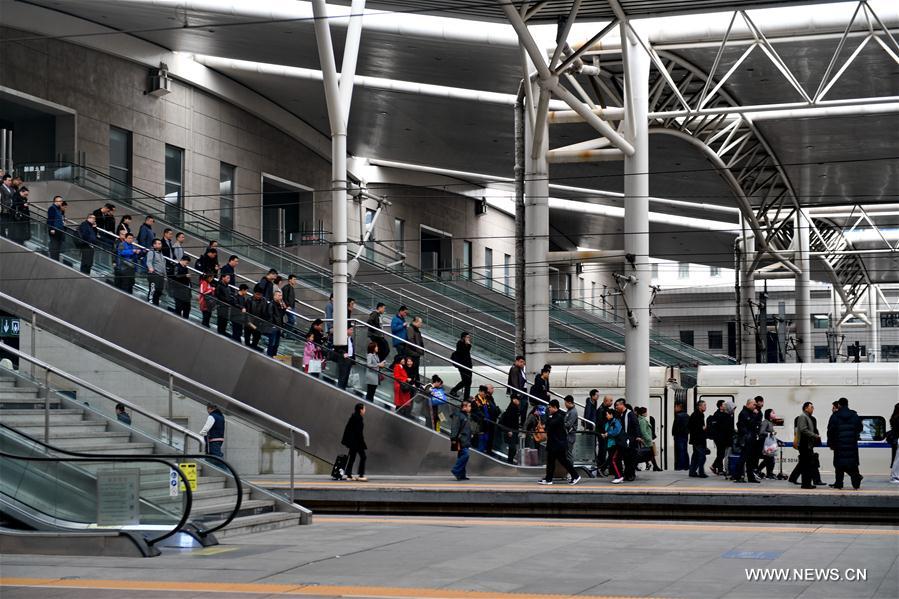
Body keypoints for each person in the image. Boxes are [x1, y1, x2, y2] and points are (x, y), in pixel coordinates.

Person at [539, 399, 581, 485]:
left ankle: (575, 476)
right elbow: (548, 425)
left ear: (555, 407)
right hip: (554, 444)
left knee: (563, 461)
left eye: (550, 407)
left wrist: (546, 423)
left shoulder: (558, 417)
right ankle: (548, 479)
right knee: (551, 461)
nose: (549, 409)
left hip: (558, 445)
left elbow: (548, 426)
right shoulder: (554, 416)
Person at [827, 397, 864, 489]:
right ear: (847, 404)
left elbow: (830, 431)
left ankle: (839, 483)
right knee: (853, 463)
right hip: (852, 444)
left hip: (839, 444)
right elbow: (860, 428)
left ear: (839, 405)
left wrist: (831, 444)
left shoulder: (835, 416)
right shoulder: (854, 415)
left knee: (838, 464)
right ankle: (856, 483)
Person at [733, 398, 761, 483]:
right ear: (748, 404)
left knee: (750, 460)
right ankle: (738, 476)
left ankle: (750, 477)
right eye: (753, 405)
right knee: (743, 458)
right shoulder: (744, 413)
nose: (755, 406)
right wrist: (755, 415)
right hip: (746, 440)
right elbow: (751, 423)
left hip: (750, 439)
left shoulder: (749, 412)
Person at [795, 402, 821, 489]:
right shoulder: (803, 417)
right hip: (804, 444)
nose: (813, 409)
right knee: (806, 465)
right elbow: (803, 430)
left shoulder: (807, 417)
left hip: (807, 444)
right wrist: (815, 435)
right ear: (806, 408)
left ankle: (806, 483)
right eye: (811, 407)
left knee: (807, 465)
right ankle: (806, 484)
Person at [341, 403, 368, 481]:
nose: (365, 410)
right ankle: (361, 475)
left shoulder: (354, 417)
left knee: (352, 458)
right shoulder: (358, 418)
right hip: (356, 442)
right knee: (363, 457)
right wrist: (362, 443)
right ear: (360, 410)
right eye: (364, 409)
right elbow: (358, 432)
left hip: (353, 442)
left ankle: (349, 475)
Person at [615, 398, 640, 482]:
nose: (616, 407)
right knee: (626, 458)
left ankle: (631, 474)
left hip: (631, 440)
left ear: (622, 405)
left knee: (631, 458)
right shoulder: (621, 414)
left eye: (617, 405)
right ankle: (627, 474)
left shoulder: (630, 414)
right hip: (625, 440)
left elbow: (636, 425)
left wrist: (638, 436)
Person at [706, 399, 732, 476]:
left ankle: (718, 468)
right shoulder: (718, 414)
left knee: (721, 452)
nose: (725, 406)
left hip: (721, 437)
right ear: (720, 406)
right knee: (721, 453)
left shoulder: (720, 414)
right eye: (724, 404)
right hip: (719, 437)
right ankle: (715, 467)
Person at [450, 399, 472, 481]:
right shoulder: (458, 415)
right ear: (464, 407)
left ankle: (461, 474)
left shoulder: (465, 415)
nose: (470, 408)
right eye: (469, 406)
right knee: (465, 455)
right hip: (460, 439)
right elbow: (454, 427)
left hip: (465, 438)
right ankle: (456, 470)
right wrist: (453, 438)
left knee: (461, 456)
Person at [245, 285, 271, 350]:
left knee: (256, 340)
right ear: (254, 293)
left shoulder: (264, 301)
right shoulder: (249, 300)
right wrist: (250, 323)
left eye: (260, 295)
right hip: (249, 323)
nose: (259, 296)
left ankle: (253, 348)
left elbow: (265, 312)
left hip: (258, 323)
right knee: (247, 340)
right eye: (257, 294)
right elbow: (247, 313)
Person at [449, 332, 473, 400]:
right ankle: (465, 397)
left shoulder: (466, 344)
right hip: (462, 366)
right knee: (467, 381)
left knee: (467, 381)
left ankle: (454, 391)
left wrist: (468, 345)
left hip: (468, 365)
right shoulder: (460, 343)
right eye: (467, 337)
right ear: (463, 337)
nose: (469, 339)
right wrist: (468, 345)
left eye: (469, 337)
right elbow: (463, 353)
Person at [688, 400, 708, 478]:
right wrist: (703, 428)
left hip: (696, 439)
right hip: (698, 439)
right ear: (699, 406)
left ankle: (692, 472)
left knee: (695, 456)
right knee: (702, 456)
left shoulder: (697, 414)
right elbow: (696, 427)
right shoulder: (697, 415)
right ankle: (701, 472)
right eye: (704, 405)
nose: (705, 407)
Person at [594, 395, 614, 475]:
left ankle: (603, 469)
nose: (612, 402)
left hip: (604, 434)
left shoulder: (605, 409)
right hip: (602, 434)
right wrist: (604, 433)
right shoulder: (601, 410)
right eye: (611, 400)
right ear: (606, 401)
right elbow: (601, 423)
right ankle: (601, 469)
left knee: (605, 451)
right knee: (602, 452)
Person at [636, 406, 661, 471]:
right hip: (646, 441)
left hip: (647, 440)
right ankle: (655, 466)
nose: (647, 413)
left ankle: (655, 466)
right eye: (646, 412)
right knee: (649, 453)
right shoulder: (643, 421)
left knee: (650, 454)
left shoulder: (642, 420)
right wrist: (649, 439)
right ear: (643, 413)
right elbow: (643, 431)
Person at [602, 410, 624, 483]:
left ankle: (619, 476)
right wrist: (605, 434)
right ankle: (619, 476)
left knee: (614, 460)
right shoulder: (609, 422)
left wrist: (608, 434)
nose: (606, 416)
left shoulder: (616, 422)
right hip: (610, 444)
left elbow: (616, 431)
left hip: (615, 444)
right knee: (614, 461)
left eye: (607, 414)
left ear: (611, 414)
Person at [506, 355, 528, 425]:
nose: (522, 364)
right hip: (518, 394)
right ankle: (518, 425)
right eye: (521, 362)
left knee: (523, 409)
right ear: (516, 361)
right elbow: (514, 383)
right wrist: (517, 395)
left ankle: (521, 424)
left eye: (523, 363)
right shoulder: (514, 369)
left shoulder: (519, 369)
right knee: (518, 410)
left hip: (521, 392)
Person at [499, 395, 521, 463]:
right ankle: (510, 460)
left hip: (514, 430)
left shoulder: (514, 407)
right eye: (518, 400)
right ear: (514, 400)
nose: (519, 402)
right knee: (512, 448)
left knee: (512, 448)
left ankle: (510, 460)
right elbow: (508, 420)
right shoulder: (512, 408)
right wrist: (509, 430)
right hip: (511, 431)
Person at [146, 239, 167, 306]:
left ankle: (156, 303)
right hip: (155, 274)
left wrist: (165, 276)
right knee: (153, 290)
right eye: (158, 243)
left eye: (160, 244)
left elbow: (163, 266)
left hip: (161, 276)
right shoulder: (152, 252)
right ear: (154, 245)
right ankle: (150, 303)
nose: (160, 245)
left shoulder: (161, 254)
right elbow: (149, 261)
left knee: (159, 291)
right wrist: (150, 268)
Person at [758, 409, 777, 479]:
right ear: (768, 414)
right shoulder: (765, 422)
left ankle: (769, 473)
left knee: (769, 459)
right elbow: (761, 432)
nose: (774, 414)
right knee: (768, 459)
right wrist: (770, 433)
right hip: (765, 444)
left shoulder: (770, 422)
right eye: (773, 412)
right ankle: (765, 472)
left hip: (770, 444)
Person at [268, 289, 288, 357]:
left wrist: (284, 308)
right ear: (274, 296)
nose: (280, 297)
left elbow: (281, 315)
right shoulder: (271, 304)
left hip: (279, 326)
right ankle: (269, 356)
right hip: (274, 326)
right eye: (279, 295)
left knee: (276, 344)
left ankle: (274, 356)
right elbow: (270, 315)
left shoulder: (280, 304)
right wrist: (272, 325)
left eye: (281, 296)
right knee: (272, 343)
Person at [405, 316, 424, 385]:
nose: (421, 324)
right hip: (412, 353)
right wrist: (419, 350)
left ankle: (417, 384)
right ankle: (415, 385)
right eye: (420, 322)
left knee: (416, 370)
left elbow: (419, 341)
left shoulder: (416, 330)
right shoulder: (410, 329)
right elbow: (411, 340)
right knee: (412, 370)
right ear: (415, 322)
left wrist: (421, 350)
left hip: (416, 353)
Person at [46, 195, 65, 261]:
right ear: (56, 201)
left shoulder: (59, 209)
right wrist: (51, 229)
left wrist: (63, 211)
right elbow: (50, 219)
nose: (61, 202)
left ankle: (56, 258)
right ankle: (53, 258)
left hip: (59, 230)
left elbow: (61, 218)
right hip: (54, 230)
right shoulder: (52, 208)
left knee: (57, 246)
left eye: (61, 201)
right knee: (54, 245)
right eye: (60, 201)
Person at [672, 402, 690, 471]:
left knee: (680, 451)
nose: (674, 409)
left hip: (679, 436)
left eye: (675, 407)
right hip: (685, 435)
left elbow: (675, 427)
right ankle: (686, 465)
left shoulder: (678, 416)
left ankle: (680, 466)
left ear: (678, 406)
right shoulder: (687, 415)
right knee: (685, 450)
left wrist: (674, 434)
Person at [564, 395, 579, 466]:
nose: (565, 405)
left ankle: (571, 472)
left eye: (565, 403)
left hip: (570, 436)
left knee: (569, 454)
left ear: (569, 402)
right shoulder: (569, 410)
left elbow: (569, 424)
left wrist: (561, 424)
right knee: (567, 454)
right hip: (567, 435)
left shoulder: (573, 412)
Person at [887, 402, 899, 467]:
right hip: (897, 439)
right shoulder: (898, 418)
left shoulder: (893, 417)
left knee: (895, 456)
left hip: (894, 440)